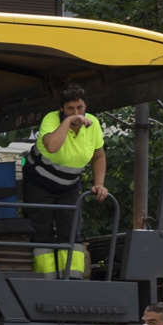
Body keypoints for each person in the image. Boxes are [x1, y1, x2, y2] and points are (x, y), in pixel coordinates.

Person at [25, 85, 105, 272]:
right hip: (39, 184)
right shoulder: (51, 119)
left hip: (69, 186)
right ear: (62, 109)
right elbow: (52, 146)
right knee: (41, 233)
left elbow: (99, 155)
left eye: (80, 108)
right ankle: (46, 281)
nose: (76, 112)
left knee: (71, 232)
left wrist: (99, 184)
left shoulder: (93, 123)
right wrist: (68, 122)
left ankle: (73, 279)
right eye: (70, 108)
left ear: (86, 107)